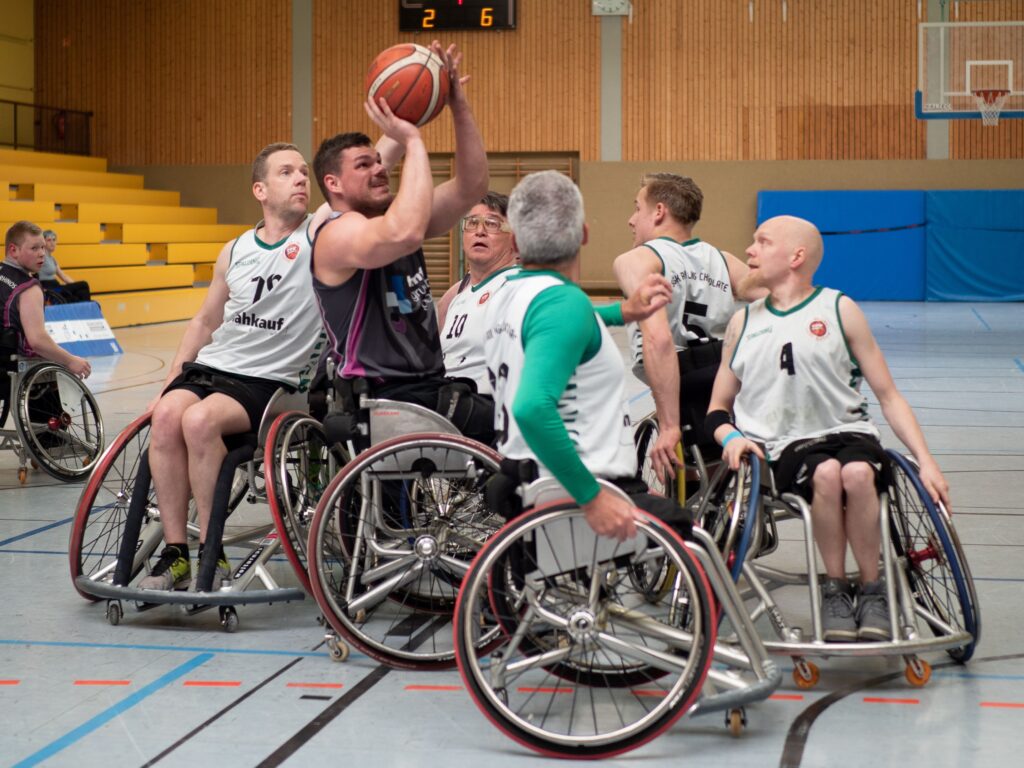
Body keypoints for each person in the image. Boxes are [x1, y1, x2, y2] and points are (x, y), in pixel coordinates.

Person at [705, 214, 951, 642]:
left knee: (857, 473)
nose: (750, 251)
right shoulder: (743, 324)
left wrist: (926, 462)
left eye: (761, 242)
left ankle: (873, 590)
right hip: (782, 447)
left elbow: (889, 395)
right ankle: (835, 590)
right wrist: (732, 437)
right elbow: (716, 410)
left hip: (849, 433)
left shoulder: (839, 309)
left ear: (796, 256)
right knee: (825, 474)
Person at [138, 142, 326, 591]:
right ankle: (177, 552)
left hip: (273, 382)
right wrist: (170, 380)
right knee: (166, 415)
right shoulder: (236, 248)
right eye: (287, 172)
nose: (302, 178)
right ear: (260, 189)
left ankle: (212, 552)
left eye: (304, 171)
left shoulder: (321, 233)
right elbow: (205, 320)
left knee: (200, 421)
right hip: (216, 366)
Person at [310, 41, 494, 443]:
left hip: (426, 386)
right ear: (333, 183)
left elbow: (472, 187)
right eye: (364, 165)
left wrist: (458, 107)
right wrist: (412, 141)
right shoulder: (338, 233)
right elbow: (405, 232)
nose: (379, 170)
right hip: (380, 396)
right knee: (519, 426)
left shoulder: (393, 216)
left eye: (379, 162)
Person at [483, 171, 677, 541]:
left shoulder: (504, 293)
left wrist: (622, 312)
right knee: (696, 539)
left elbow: (550, 325)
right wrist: (592, 498)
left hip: (523, 476)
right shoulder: (563, 303)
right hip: (575, 484)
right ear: (584, 234)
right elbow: (532, 407)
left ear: (517, 240)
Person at [613, 173, 763, 479]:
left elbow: (659, 341)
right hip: (726, 371)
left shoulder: (637, 260)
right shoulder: (722, 259)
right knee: (714, 462)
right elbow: (781, 296)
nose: (631, 220)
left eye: (636, 208)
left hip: (678, 373)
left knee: (678, 454)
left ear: (658, 211)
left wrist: (669, 425)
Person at [436, 191, 518, 395]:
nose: (479, 231)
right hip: (444, 398)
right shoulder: (454, 296)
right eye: (472, 223)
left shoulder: (517, 286)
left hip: (482, 405)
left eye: (492, 224)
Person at [1, 221, 91, 379]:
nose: (42, 253)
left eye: (42, 247)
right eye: (34, 248)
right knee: (54, 365)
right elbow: (37, 341)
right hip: (11, 369)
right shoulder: (28, 289)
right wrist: (70, 361)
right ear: (13, 250)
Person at [39, 229, 91, 303]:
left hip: (56, 286)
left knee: (79, 294)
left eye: (54, 240)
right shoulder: (41, 256)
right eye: (49, 240)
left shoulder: (52, 259)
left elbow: (64, 277)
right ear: (43, 242)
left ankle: (85, 311)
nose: (52, 243)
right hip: (50, 288)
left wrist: (75, 286)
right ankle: (88, 309)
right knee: (84, 284)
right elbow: (32, 273)